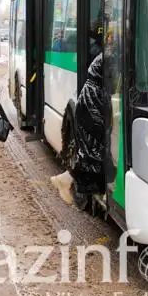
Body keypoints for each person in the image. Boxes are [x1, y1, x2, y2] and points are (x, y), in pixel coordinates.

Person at [50, 51, 107, 205]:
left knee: (93, 151)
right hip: (92, 103)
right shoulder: (115, 52)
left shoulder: (110, 51)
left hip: (92, 101)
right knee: (94, 151)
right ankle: (65, 180)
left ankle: (65, 180)